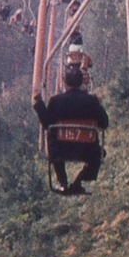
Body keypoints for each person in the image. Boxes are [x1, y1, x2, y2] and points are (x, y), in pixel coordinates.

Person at [33, 66, 108, 196]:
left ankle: (62, 181)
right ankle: (79, 181)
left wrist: (39, 104)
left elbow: (46, 123)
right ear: (81, 82)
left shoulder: (56, 101)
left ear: (64, 82)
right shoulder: (92, 101)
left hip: (61, 150)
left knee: (53, 134)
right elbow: (104, 123)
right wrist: (98, 105)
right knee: (98, 154)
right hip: (87, 151)